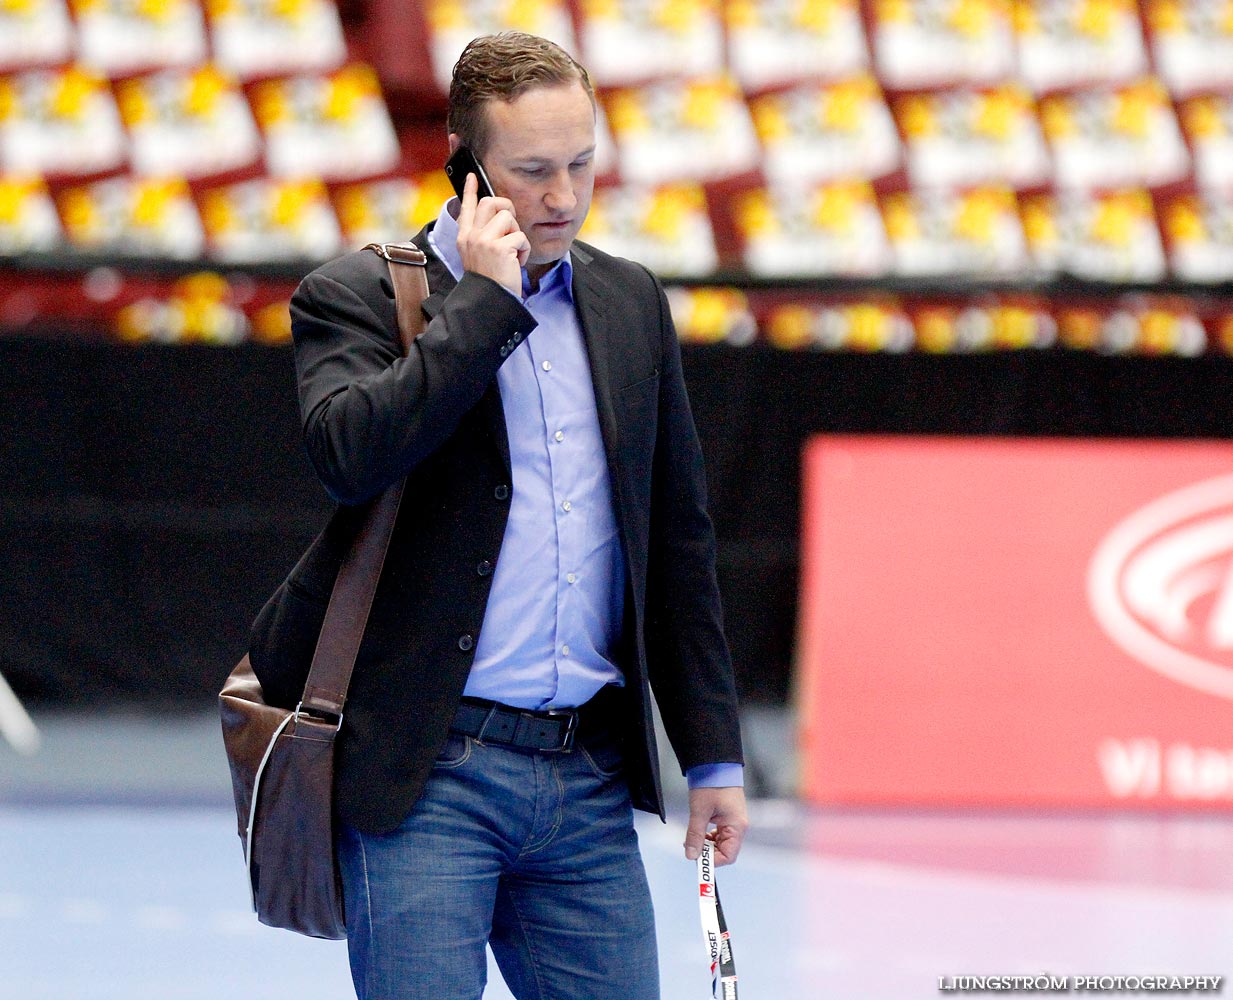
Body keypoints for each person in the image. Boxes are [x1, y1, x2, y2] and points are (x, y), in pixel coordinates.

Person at [249, 30, 747, 1000]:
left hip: (587, 781)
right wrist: (483, 305)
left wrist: (713, 750)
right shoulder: (353, 295)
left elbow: (676, 543)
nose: (563, 196)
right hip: (425, 778)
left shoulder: (631, 302)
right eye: (532, 171)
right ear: (468, 171)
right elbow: (351, 456)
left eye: (581, 164)